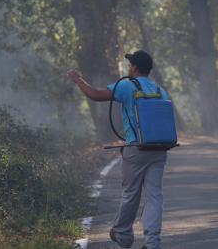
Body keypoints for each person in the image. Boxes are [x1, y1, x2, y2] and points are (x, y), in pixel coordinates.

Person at [67, 50, 170, 249]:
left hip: (136, 149)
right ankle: (152, 243)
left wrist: (78, 80)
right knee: (155, 196)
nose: (128, 67)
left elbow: (96, 95)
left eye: (130, 64)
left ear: (135, 68)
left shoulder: (126, 85)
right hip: (159, 150)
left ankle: (122, 233)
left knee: (131, 193)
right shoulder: (159, 90)